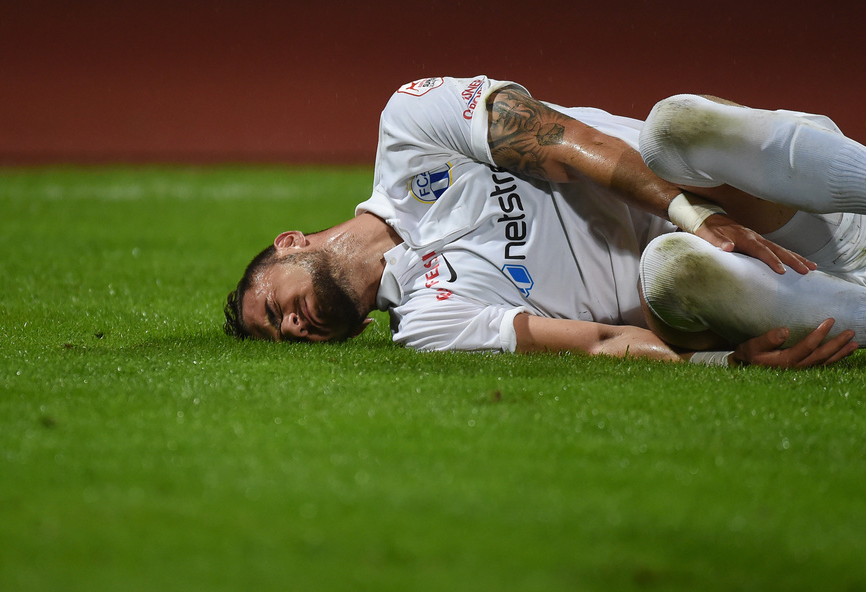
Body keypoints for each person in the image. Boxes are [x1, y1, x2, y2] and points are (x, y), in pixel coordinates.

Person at [223, 76, 866, 368]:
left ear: (290, 245)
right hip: (747, 294)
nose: (290, 325)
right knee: (669, 268)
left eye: (271, 307)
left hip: (776, 195)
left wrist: (692, 213)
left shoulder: (409, 129)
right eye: (282, 336)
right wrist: (735, 364)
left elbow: (563, 139)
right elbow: (598, 342)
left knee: (672, 131)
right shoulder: (427, 324)